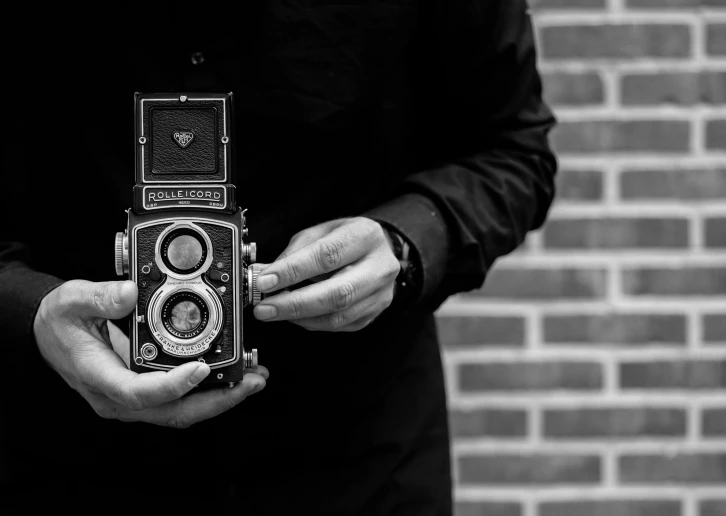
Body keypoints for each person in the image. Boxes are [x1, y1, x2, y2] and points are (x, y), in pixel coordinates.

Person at [0, 1, 556, 513]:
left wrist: (405, 241)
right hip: (57, 447)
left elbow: (512, 146)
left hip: (360, 453)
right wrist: (30, 310)